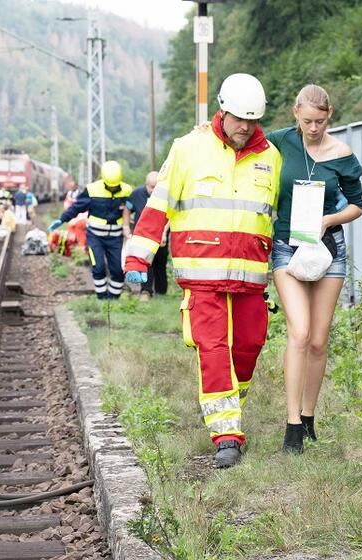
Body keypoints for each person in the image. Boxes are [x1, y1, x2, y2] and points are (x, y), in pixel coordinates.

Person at [123, 73, 281, 468]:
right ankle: (227, 435)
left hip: (250, 280)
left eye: (252, 119)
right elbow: (158, 207)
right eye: (237, 118)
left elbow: (278, 217)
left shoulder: (271, 158)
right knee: (213, 350)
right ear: (222, 110)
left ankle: (224, 402)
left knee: (248, 348)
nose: (244, 127)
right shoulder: (188, 149)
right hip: (202, 277)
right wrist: (137, 259)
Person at [265, 84, 362, 454]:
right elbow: (240, 142)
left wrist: (329, 219)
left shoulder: (343, 155)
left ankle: (309, 415)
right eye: (307, 121)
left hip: (327, 249)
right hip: (286, 248)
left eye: (320, 121)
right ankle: (291, 424)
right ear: (295, 113)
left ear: (329, 115)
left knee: (319, 340)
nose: (313, 128)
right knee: (300, 332)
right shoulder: (279, 142)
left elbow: (357, 205)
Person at [49, 160, 133, 300]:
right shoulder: (92, 189)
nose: (112, 189)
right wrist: (62, 219)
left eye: (115, 186)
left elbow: (132, 208)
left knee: (117, 270)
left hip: (116, 238)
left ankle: (113, 298)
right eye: (109, 186)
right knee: (98, 267)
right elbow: (77, 207)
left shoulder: (127, 190)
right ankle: (101, 297)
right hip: (95, 237)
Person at [128, 171, 168, 301]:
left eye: (157, 187)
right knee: (145, 263)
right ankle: (145, 291)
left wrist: (164, 232)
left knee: (160, 264)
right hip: (143, 237)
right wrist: (126, 227)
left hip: (160, 236)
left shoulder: (166, 196)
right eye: (151, 187)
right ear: (146, 185)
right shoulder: (136, 194)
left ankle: (161, 293)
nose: (154, 190)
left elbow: (171, 216)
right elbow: (127, 210)